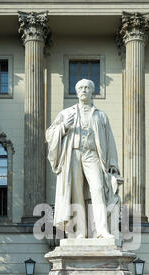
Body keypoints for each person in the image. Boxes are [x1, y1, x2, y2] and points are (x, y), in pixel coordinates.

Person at [46, 79, 120, 238]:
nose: (84, 90)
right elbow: (49, 135)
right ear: (76, 91)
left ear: (92, 91)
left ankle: (101, 230)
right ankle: (80, 232)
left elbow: (110, 140)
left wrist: (113, 163)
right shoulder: (66, 113)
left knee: (98, 188)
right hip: (73, 153)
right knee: (76, 192)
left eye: (87, 87)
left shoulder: (101, 115)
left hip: (92, 154)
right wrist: (64, 126)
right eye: (80, 87)